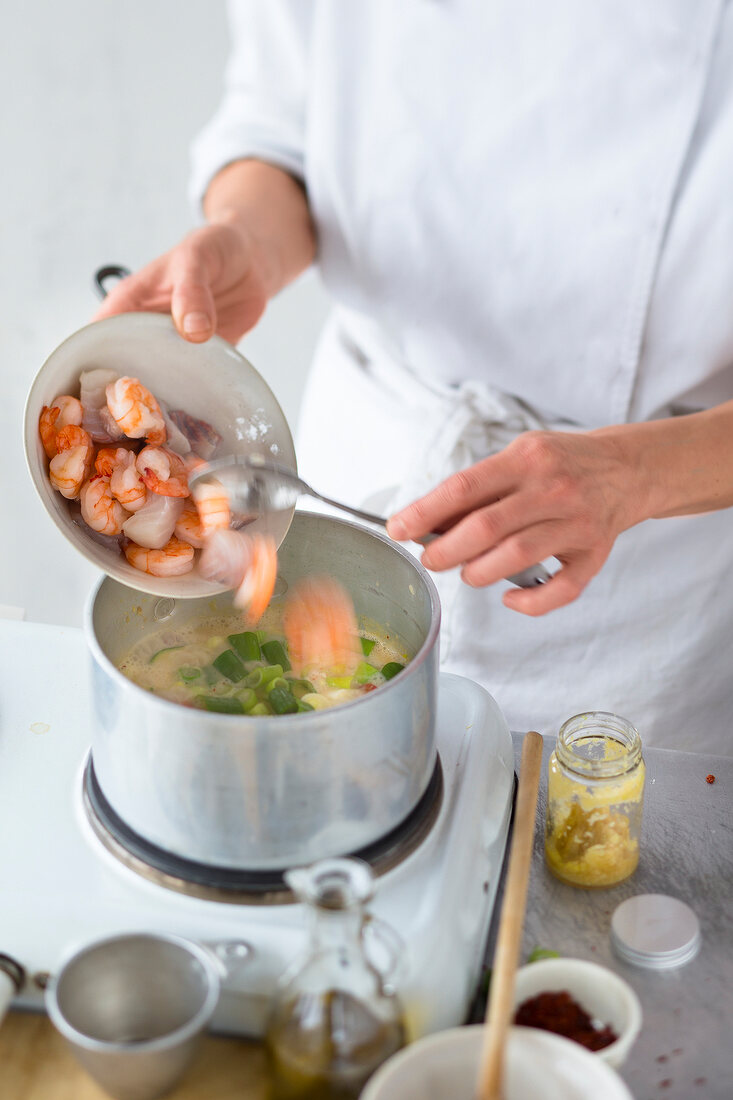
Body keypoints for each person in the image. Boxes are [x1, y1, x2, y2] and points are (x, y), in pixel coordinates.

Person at [95, 2, 733, 755]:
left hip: (655, 544)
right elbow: (278, 127)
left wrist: (640, 472)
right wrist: (247, 240)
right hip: (381, 428)